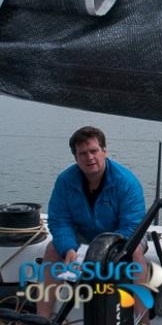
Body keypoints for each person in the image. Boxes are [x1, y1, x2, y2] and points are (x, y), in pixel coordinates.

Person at [38, 126, 148, 320]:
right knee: (53, 249)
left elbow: (133, 226)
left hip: (122, 238)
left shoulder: (127, 182)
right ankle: (42, 319)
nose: (89, 157)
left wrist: (105, 252)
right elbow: (59, 219)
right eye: (83, 153)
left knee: (136, 253)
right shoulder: (65, 181)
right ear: (76, 158)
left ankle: (142, 320)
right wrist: (69, 249)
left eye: (94, 151)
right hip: (85, 236)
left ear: (104, 151)